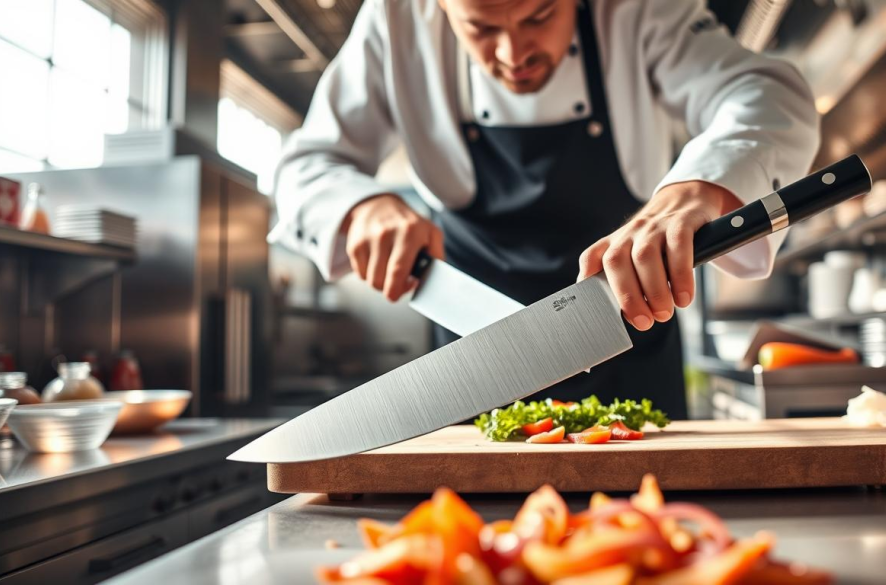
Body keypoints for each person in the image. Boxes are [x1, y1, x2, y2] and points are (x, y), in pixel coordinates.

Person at [270, 0, 820, 419]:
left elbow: (767, 92)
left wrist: (699, 187)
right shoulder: (395, 18)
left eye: (539, 16)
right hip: (478, 366)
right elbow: (305, 163)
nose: (514, 55)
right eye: (481, 28)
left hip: (630, 340)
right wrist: (359, 206)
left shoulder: (637, 8)